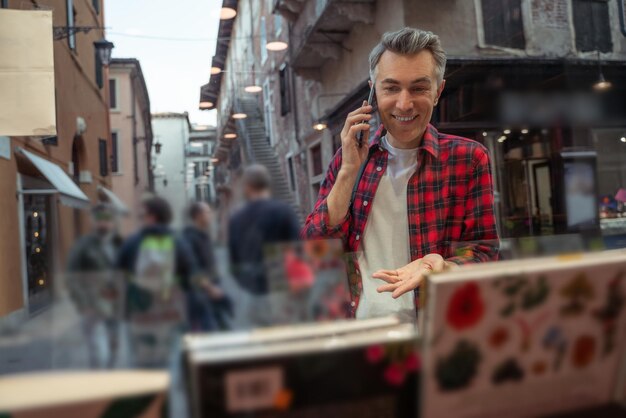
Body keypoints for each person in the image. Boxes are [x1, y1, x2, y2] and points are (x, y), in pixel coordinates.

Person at [302, 28, 499, 322]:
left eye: (419, 88)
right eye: (391, 88)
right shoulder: (348, 162)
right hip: (361, 338)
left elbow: (485, 253)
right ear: (373, 92)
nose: (404, 104)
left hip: (438, 334)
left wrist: (441, 266)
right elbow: (314, 251)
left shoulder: (468, 159)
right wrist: (348, 173)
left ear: (438, 91)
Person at [117, 196, 198, 367]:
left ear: (152, 216)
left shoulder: (132, 242)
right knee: (170, 363)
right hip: (170, 312)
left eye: (142, 216)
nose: (140, 219)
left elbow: (117, 275)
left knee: (141, 363)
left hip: (140, 313)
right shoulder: (178, 241)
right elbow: (191, 275)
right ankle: (167, 392)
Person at [228, 164, 301, 326]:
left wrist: (250, 284)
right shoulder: (284, 211)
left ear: (247, 187)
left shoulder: (236, 219)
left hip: (253, 294)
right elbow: (297, 253)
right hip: (283, 293)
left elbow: (234, 263)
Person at [66, 203, 123, 368]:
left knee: (113, 347)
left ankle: (109, 381)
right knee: (97, 351)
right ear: (94, 221)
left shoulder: (119, 244)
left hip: (115, 304)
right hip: (92, 306)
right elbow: (72, 277)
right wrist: (84, 304)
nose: (104, 223)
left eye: (107, 219)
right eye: (100, 219)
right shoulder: (83, 246)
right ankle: (99, 384)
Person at [182, 202, 231, 331]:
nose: (210, 215)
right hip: (199, 296)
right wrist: (210, 288)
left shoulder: (204, 236)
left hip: (210, 293)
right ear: (198, 215)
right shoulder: (190, 237)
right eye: (207, 212)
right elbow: (191, 268)